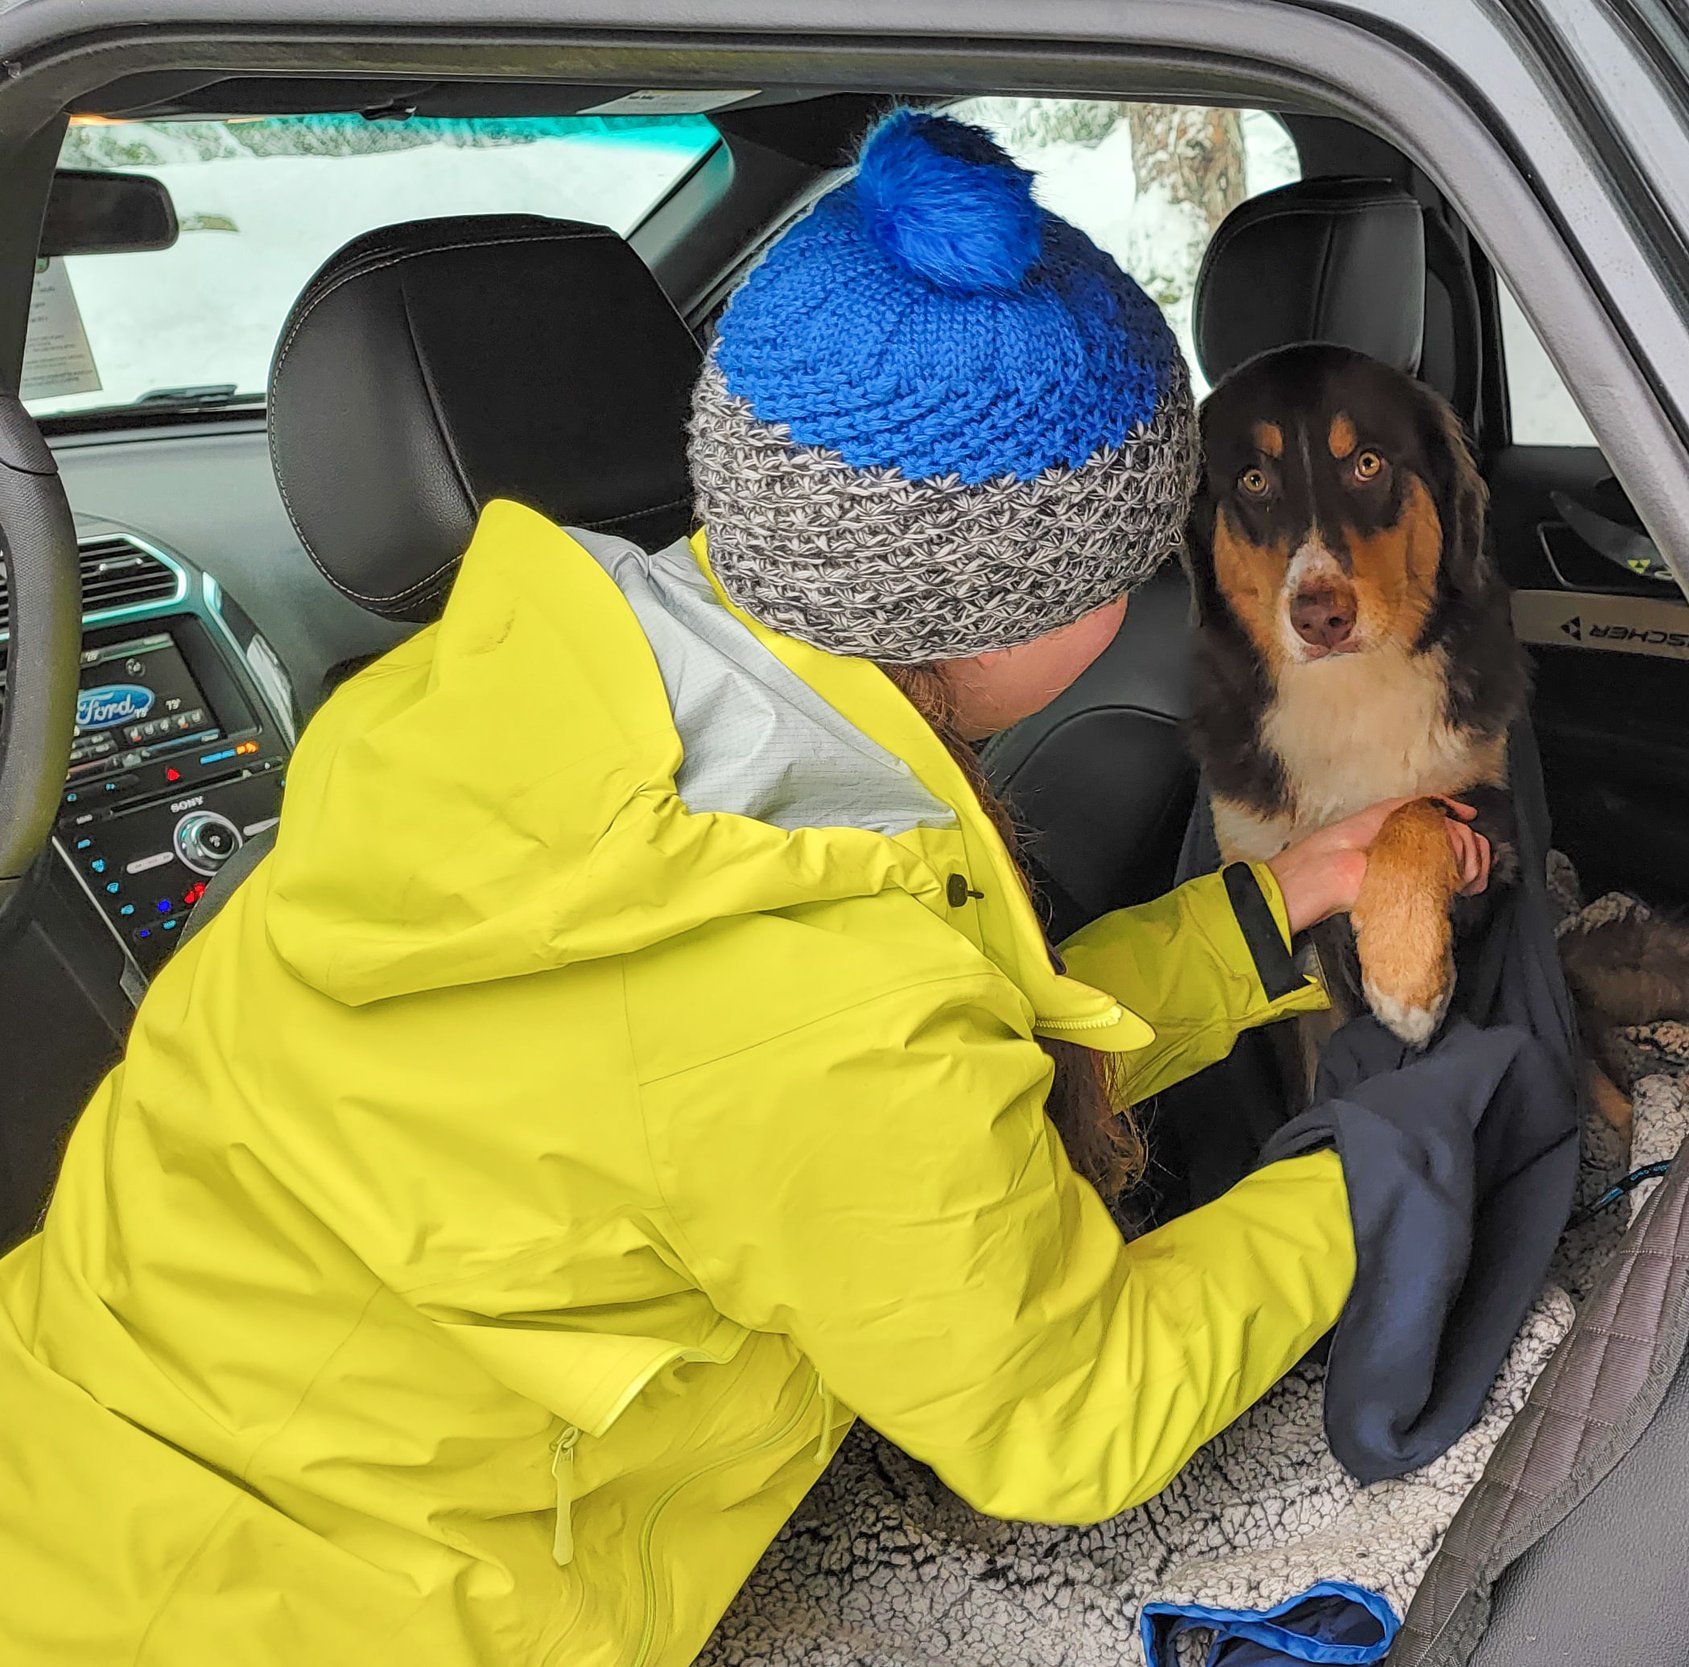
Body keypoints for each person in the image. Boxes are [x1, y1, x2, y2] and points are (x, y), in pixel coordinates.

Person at [0, 111, 1490, 1666]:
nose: (1146, 592)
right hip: (295, 1620)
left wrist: (1262, 917)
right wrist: (1388, 1164)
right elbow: (1068, 1416)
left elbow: (924, 1060)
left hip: (62, 1464)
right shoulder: (813, 975)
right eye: (1125, 557)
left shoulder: (521, 690)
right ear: (1003, 598)